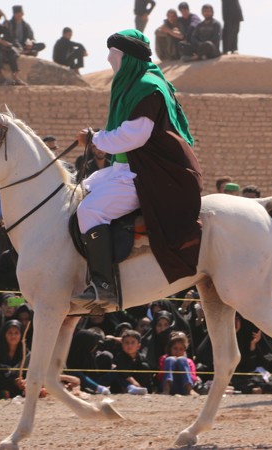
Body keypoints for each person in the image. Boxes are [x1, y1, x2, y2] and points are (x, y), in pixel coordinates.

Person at [71, 29, 202, 314]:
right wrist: (100, 138)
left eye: (114, 57)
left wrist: (95, 138)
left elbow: (134, 136)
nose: (110, 62)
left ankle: (103, 286)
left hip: (149, 173)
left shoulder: (146, 87)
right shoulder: (139, 84)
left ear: (128, 59)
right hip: (128, 167)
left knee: (89, 211)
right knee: (79, 196)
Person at [0, 320, 29, 399]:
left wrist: (23, 381)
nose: (13, 336)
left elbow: (29, 372)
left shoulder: (25, 353)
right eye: (10, 333)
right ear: (4, 334)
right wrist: (13, 381)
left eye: (16, 333)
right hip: (1, 385)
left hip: (19, 387)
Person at [157, 331, 198, 395]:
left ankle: (189, 389)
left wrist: (181, 363)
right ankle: (166, 389)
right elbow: (160, 376)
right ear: (170, 348)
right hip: (169, 387)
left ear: (184, 351)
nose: (178, 352)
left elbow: (194, 378)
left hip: (183, 387)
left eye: (181, 349)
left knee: (181, 360)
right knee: (170, 359)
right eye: (175, 348)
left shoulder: (188, 361)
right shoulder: (164, 358)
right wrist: (172, 363)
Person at [113, 329, 152, 393]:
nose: (129, 345)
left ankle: (143, 389)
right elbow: (125, 373)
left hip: (139, 383)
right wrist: (134, 383)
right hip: (124, 384)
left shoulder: (142, 358)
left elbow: (148, 377)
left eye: (133, 342)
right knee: (116, 371)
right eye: (127, 343)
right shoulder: (120, 357)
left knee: (145, 366)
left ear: (138, 346)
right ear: (122, 344)